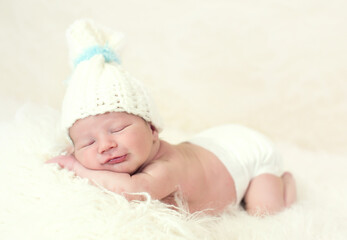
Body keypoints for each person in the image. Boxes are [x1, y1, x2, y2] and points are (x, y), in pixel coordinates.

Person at [48, 19, 296, 216]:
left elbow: (132, 190)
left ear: (153, 129)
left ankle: (285, 184)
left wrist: (75, 166)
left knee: (265, 212)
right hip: (214, 146)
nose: (106, 145)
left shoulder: (166, 168)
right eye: (88, 143)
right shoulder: (130, 153)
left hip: (246, 153)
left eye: (118, 128)